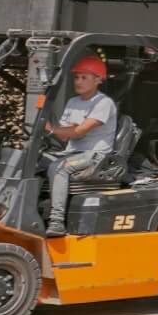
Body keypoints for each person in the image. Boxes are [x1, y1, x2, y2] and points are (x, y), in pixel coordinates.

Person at [44, 56, 118, 236]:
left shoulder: (103, 103)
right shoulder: (73, 102)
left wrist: (51, 129)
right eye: (77, 77)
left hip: (95, 155)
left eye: (84, 77)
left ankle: (56, 221)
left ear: (98, 79)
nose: (78, 81)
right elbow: (64, 133)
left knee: (60, 168)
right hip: (73, 152)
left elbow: (79, 131)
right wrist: (49, 129)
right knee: (35, 162)